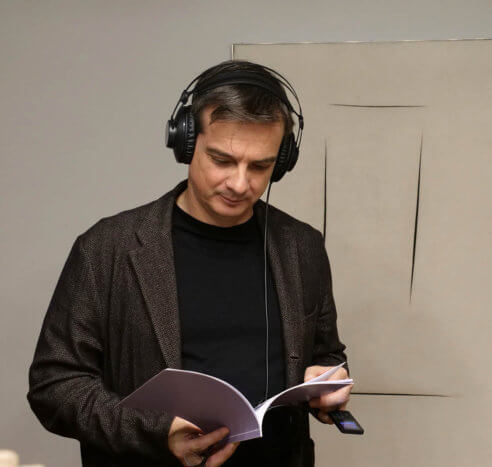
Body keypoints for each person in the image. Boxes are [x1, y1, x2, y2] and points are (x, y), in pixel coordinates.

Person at [27, 60, 351, 467]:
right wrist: (155, 430)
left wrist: (329, 382)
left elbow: (326, 353)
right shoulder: (106, 249)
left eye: (260, 166)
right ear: (186, 142)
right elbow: (54, 385)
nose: (240, 183)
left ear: (282, 161)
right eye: (222, 160)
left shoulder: (302, 246)